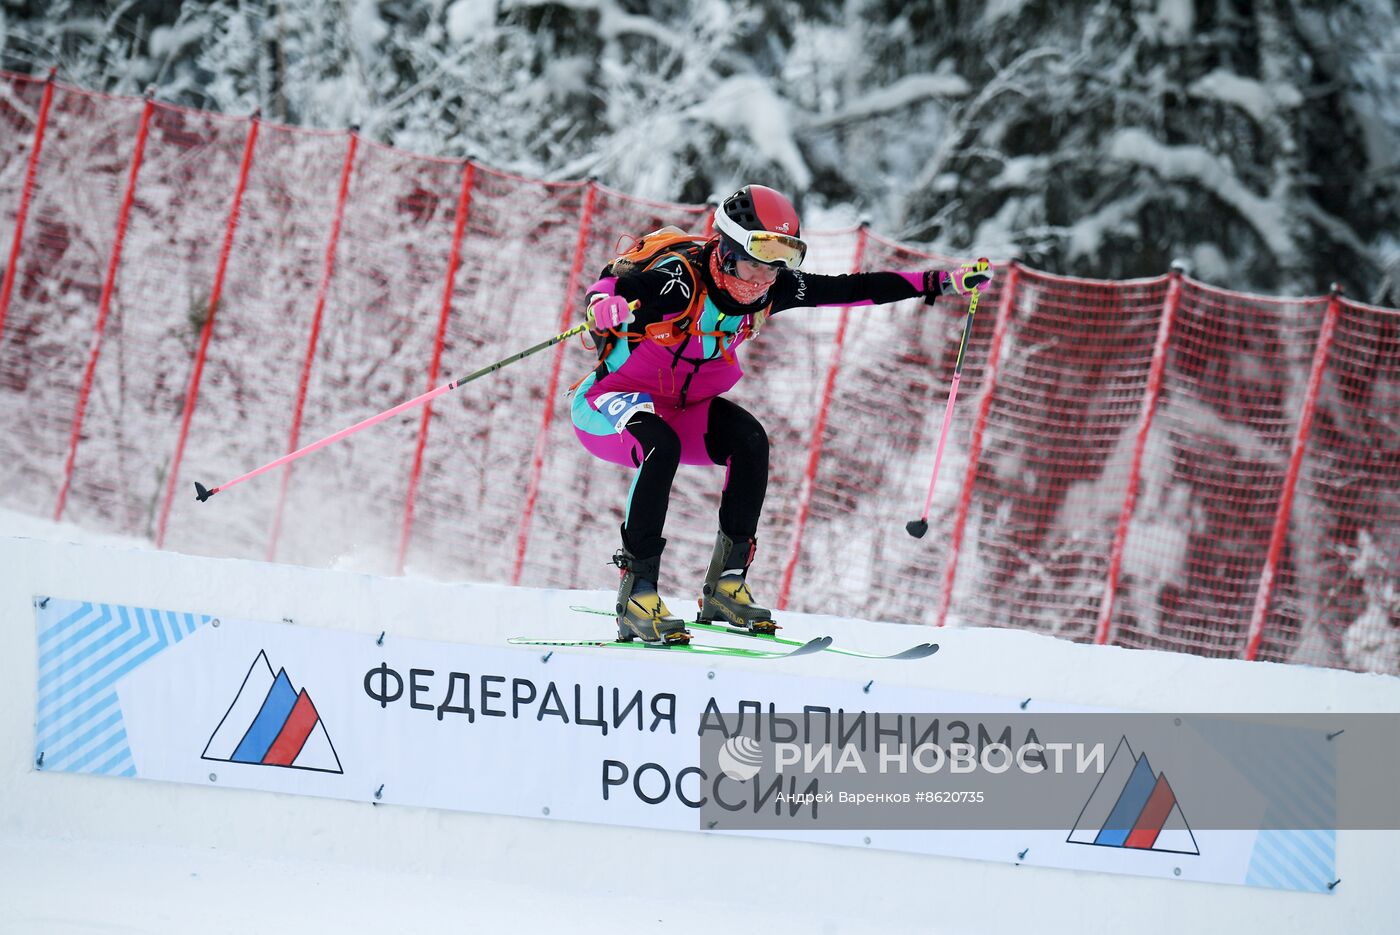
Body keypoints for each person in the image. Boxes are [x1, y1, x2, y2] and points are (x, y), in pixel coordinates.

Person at [570, 184, 993, 644]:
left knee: (749, 439)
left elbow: (855, 288)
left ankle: (726, 586)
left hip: (682, 409)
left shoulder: (771, 289)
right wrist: (601, 305)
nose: (766, 274)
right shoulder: (681, 280)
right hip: (612, 401)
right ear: (728, 248)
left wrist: (940, 282)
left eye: (783, 257)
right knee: (660, 445)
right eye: (759, 255)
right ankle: (638, 593)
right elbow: (615, 283)